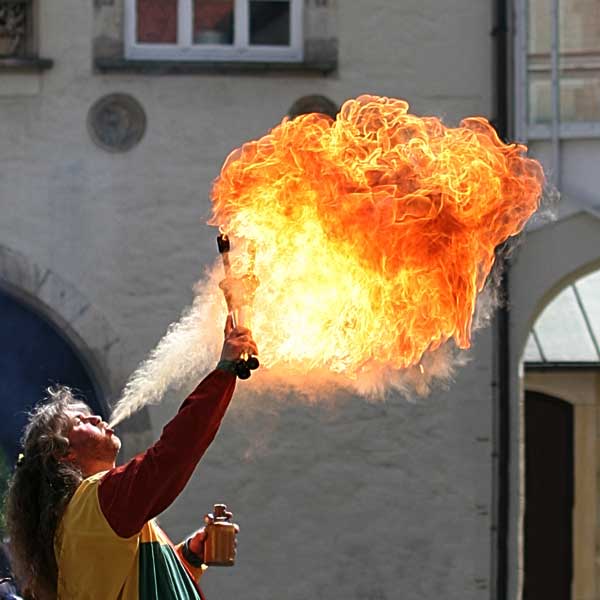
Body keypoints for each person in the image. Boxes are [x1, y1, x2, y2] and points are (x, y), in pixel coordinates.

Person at [5, 317, 257, 600]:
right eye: (79, 420)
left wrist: (189, 556)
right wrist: (224, 371)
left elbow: (133, 582)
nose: (95, 417)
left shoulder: (91, 516)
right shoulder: (93, 502)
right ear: (63, 452)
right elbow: (172, 454)